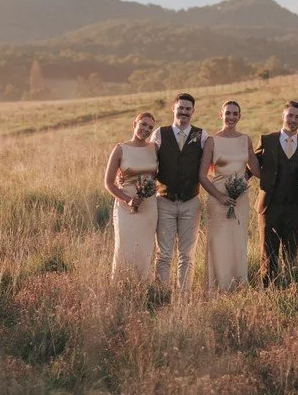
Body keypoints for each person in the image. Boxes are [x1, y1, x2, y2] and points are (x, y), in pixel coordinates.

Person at [199, 100, 261, 291]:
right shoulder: (212, 140)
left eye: (235, 113)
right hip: (218, 199)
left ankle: (238, 284)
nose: (231, 117)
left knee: (238, 240)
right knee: (219, 241)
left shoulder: (245, 140)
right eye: (228, 113)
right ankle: (219, 285)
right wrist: (220, 196)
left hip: (240, 199)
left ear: (240, 116)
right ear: (221, 115)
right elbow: (202, 175)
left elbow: (257, 170)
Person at [151, 92, 205, 293]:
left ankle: (183, 297)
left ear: (193, 111)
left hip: (191, 202)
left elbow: (211, 165)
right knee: (163, 253)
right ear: (173, 109)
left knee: (187, 254)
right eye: (180, 108)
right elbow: (148, 164)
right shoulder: (159, 133)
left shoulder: (202, 136)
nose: (184, 112)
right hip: (164, 201)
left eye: (188, 109)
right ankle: (162, 294)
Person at [256, 100, 298, 284]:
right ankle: (267, 291)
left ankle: (292, 288)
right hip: (270, 206)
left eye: (297, 117)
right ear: (283, 116)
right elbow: (250, 165)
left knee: (292, 255)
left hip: (296, 208)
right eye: (290, 116)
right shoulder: (267, 140)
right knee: (268, 254)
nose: (293, 120)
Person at [103, 112, 159, 280]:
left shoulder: (154, 149)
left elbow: (158, 175)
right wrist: (127, 199)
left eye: (150, 127)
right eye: (143, 124)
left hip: (149, 205)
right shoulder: (120, 149)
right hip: (125, 206)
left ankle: (143, 286)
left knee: (146, 247)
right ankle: (122, 285)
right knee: (124, 246)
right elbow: (108, 183)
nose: (146, 129)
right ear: (134, 124)